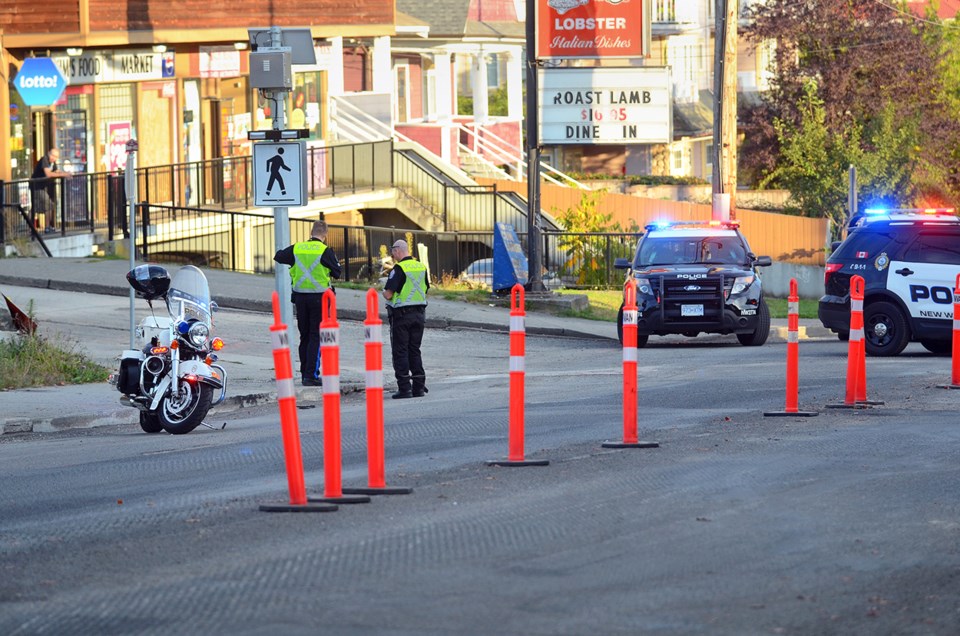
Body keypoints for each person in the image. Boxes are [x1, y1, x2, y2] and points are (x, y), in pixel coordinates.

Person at [274, 220, 342, 387]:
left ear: (311, 232)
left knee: (304, 336)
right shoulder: (325, 251)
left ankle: (305, 372)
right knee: (315, 336)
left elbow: (279, 256)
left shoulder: (297, 248)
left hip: (300, 299)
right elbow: (337, 272)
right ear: (325, 234)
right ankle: (311, 375)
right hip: (319, 299)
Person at [382, 239, 429, 399]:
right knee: (414, 350)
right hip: (419, 314)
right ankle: (419, 388)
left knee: (400, 351)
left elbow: (389, 293)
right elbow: (425, 288)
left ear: (397, 251)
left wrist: (383, 293)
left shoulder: (399, 268)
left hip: (402, 316)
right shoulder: (421, 267)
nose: (392, 255)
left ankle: (404, 388)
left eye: (393, 251)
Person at [31, 148, 70, 233]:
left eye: (56, 157)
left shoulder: (52, 162)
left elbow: (56, 171)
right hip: (36, 186)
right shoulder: (44, 159)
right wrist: (64, 174)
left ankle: (46, 227)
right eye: (52, 155)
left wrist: (64, 173)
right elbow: (48, 174)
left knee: (44, 206)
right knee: (47, 204)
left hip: (43, 186)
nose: (53, 158)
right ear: (48, 153)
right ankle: (46, 227)